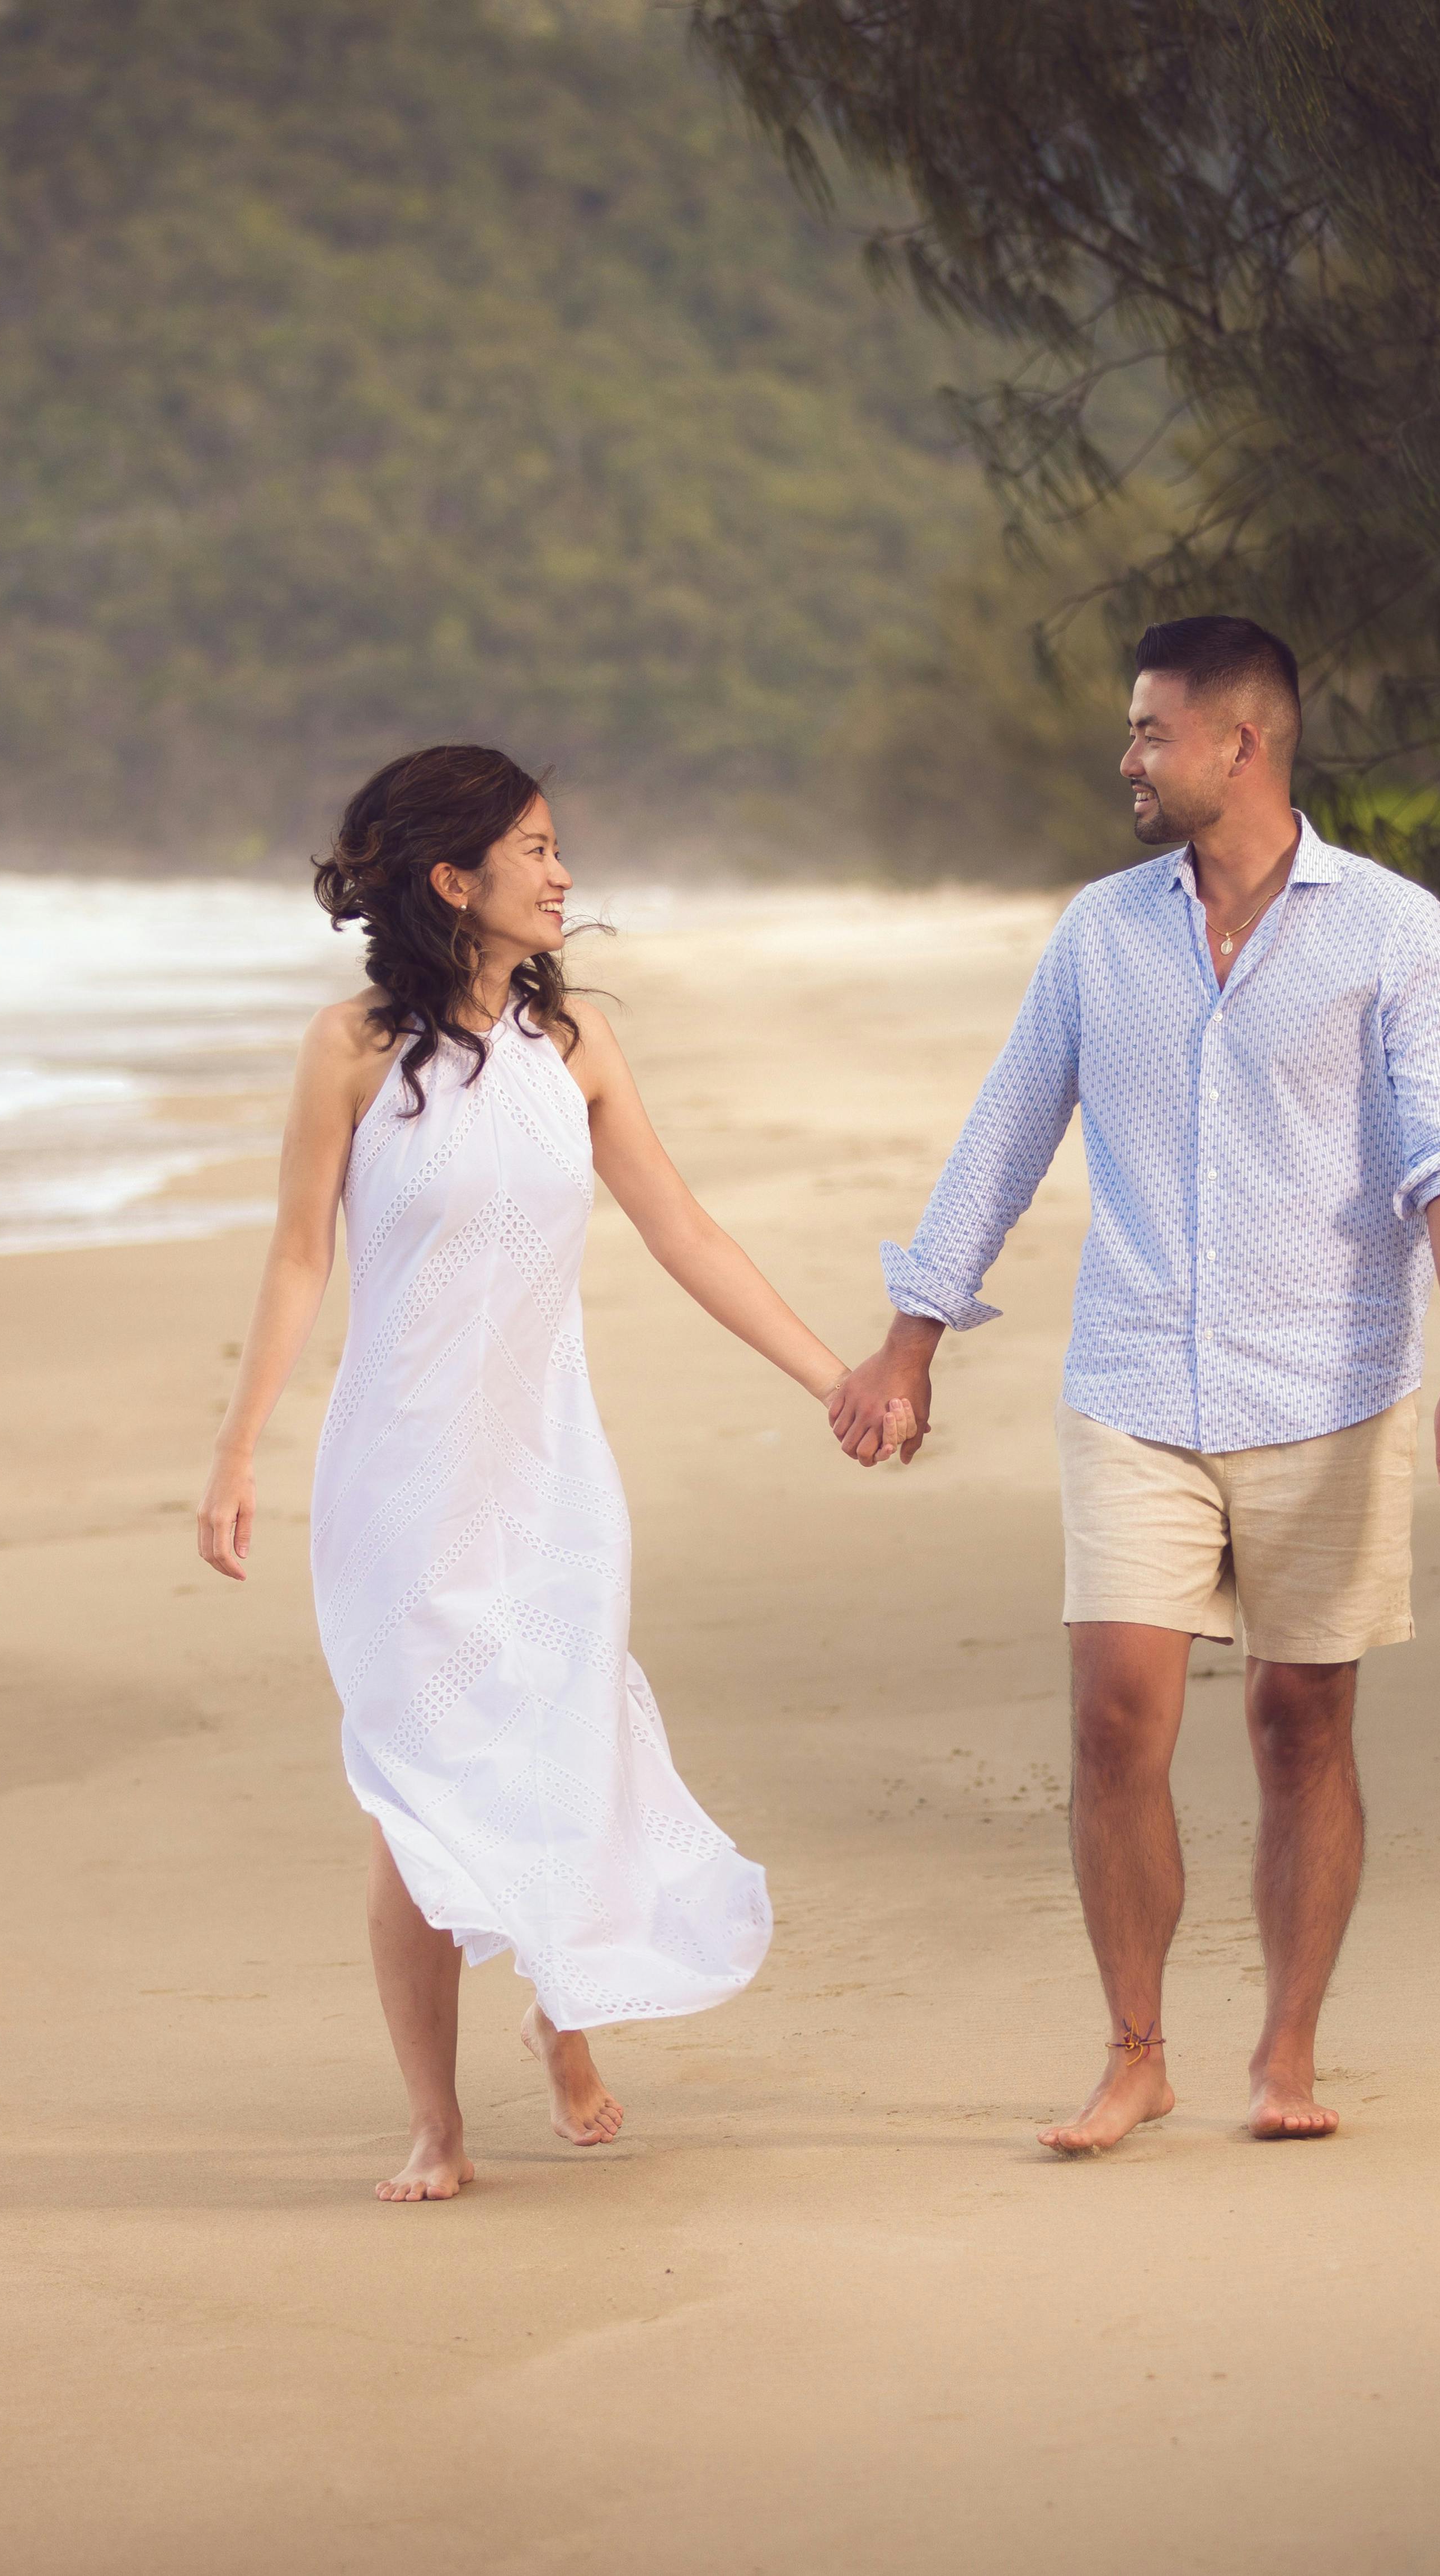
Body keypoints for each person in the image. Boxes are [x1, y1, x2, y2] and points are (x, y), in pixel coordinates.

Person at [828, 617, 1440, 2155]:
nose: (1127, 757)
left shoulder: (1393, 932)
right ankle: (1136, 2051)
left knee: (1299, 1724)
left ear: (1239, 746)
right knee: (1113, 1719)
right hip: (1134, 1380)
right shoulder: (1101, 934)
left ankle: (1287, 2046)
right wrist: (910, 1340)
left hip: (1329, 1387)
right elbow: (1008, 1132)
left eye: (1151, 731)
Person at [200, 746, 892, 2203]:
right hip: (401, 1485)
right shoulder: (349, 1051)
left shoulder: (572, 1048)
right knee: (418, 1794)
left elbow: (684, 1229)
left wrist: (832, 1374)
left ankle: (561, 2019)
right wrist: (238, 1447)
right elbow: (300, 1255)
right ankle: (436, 2122)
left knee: (556, 1758)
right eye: (536, 849)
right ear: (455, 880)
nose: (565, 874)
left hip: (548, 1476)